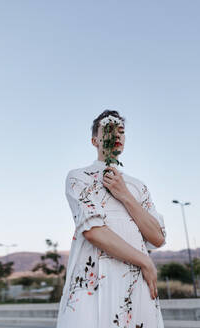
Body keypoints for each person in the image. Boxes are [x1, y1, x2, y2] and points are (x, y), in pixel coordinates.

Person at [56, 110, 166, 328]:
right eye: (108, 129)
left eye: (121, 131)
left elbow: (157, 237)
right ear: (94, 140)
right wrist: (145, 261)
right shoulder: (78, 177)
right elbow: (93, 230)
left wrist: (124, 194)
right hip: (92, 284)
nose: (116, 134)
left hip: (136, 285)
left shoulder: (138, 187)